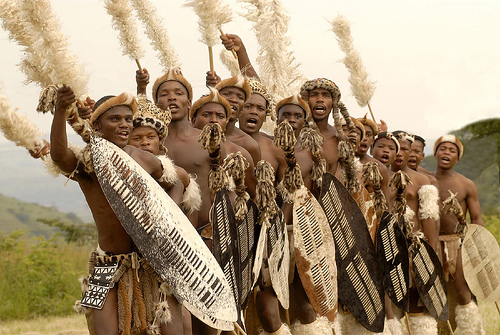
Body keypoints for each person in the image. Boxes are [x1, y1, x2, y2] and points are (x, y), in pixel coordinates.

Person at [51, 86, 184, 334]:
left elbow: (178, 180)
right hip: (105, 264)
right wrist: (60, 111)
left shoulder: (141, 158)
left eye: (127, 119)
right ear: (97, 127)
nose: (124, 125)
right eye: (115, 119)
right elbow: (59, 156)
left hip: (149, 262)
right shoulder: (88, 164)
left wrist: (171, 215)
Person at [275, 94, 333, 335]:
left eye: (297, 116)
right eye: (285, 115)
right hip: (275, 231)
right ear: (276, 119)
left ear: (304, 120)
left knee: (305, 297)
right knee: (276, 296)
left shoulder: (315, 154)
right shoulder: (267, 147)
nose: (291, 120)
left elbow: (322, 197)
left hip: (306, 233)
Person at [433, 135, 485, 334]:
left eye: (452, 150)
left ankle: (470, 330)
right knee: (435, 294)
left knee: (463, 292)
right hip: (432, 244)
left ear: (458, 159)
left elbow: (477, 219)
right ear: (435, 153)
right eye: (443, 148)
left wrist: (477, 248)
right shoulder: (424, 179)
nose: (446, 152)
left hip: (459, 244)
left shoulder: (466, 185)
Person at [390, 131, 440, 334]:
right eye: (397, 148)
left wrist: (430, 253)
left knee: (416, 300)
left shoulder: (422, 181)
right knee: (390, 302)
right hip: (388, 247)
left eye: (406, 149)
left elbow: (429, 218)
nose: (401, 153)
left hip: (415, 247)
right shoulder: (380, 176)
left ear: (412, 152)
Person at [214, 75, 262, 165]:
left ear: (243, 108)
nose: (233, 99)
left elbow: (253, 178)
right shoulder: (198, 134)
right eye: (227, 94)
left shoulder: (250, 145)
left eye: (240, 97)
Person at [299, 78, 340, 175]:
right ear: (306, 101)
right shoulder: (293, 135)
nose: (320, 100)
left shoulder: (340, 140)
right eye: (314, 95)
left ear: (333, 103)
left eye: (326, 96)